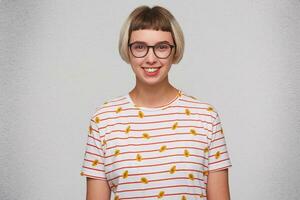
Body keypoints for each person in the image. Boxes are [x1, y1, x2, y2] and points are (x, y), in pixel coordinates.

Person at [80, 5, 232, 200]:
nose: (150, 59)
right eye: (140, 47)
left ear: (175, 51)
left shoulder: (206, 118)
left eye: (162, 47)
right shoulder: (104, 120)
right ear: (127, 51)